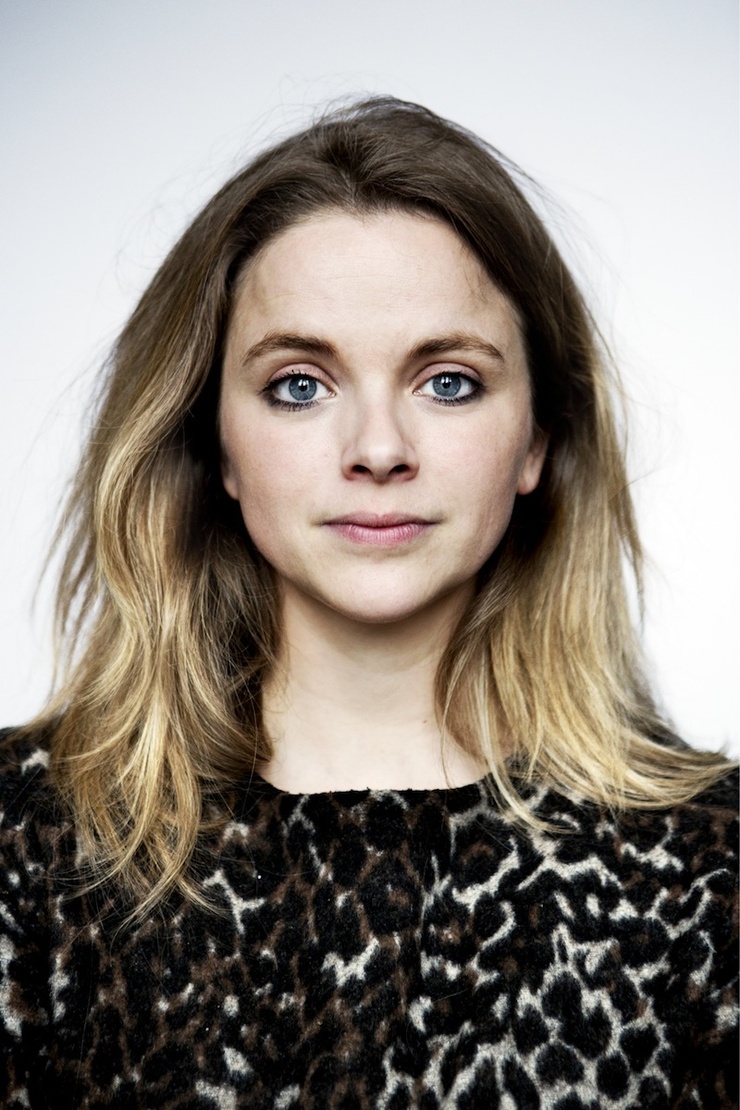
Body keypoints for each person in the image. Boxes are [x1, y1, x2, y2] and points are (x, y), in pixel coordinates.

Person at [0, 96, 736, 1109]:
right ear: (216, 442)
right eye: (300, 385)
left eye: (448, 382)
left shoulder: (710, 870)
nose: (379, 449)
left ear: (536, 439)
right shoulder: (31, 842)